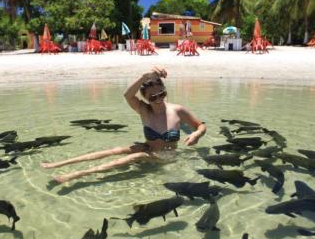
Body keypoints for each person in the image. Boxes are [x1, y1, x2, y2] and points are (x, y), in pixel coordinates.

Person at [41, 66, 207, 183]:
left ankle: (77, 175)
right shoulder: (144, 110)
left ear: (165, 90)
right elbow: (128, 95)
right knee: (114, 151)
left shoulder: (178, 110)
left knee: (137, 156)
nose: (158, 98)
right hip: (147, 148)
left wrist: (196, 134)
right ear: (145, 98)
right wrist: (144, 76)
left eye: (161, 93)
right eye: (152, 96)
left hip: (166, 157)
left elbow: (201, 126)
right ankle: (59, 164)